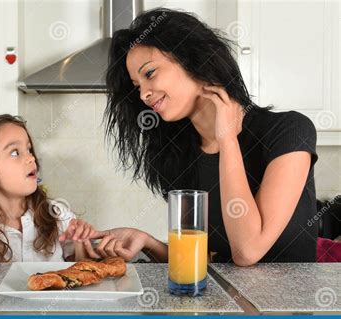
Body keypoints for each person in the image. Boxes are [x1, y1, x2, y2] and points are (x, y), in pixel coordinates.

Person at [84, 8, 318, 266]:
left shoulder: (289, 131)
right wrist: (148, 242)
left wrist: (227, 140)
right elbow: (199, 261)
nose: (143, 95)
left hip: (288, 304)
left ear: (193, 60)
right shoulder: (179, 154)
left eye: (149, 73)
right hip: (220, 304)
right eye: (137, 86)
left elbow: (247, 251)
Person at [0, 114, 98, 264]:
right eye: (15, 152)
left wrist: (80, 243)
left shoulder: (58, 215)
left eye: (29, 149)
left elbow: (82, 273)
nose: (31, 158)